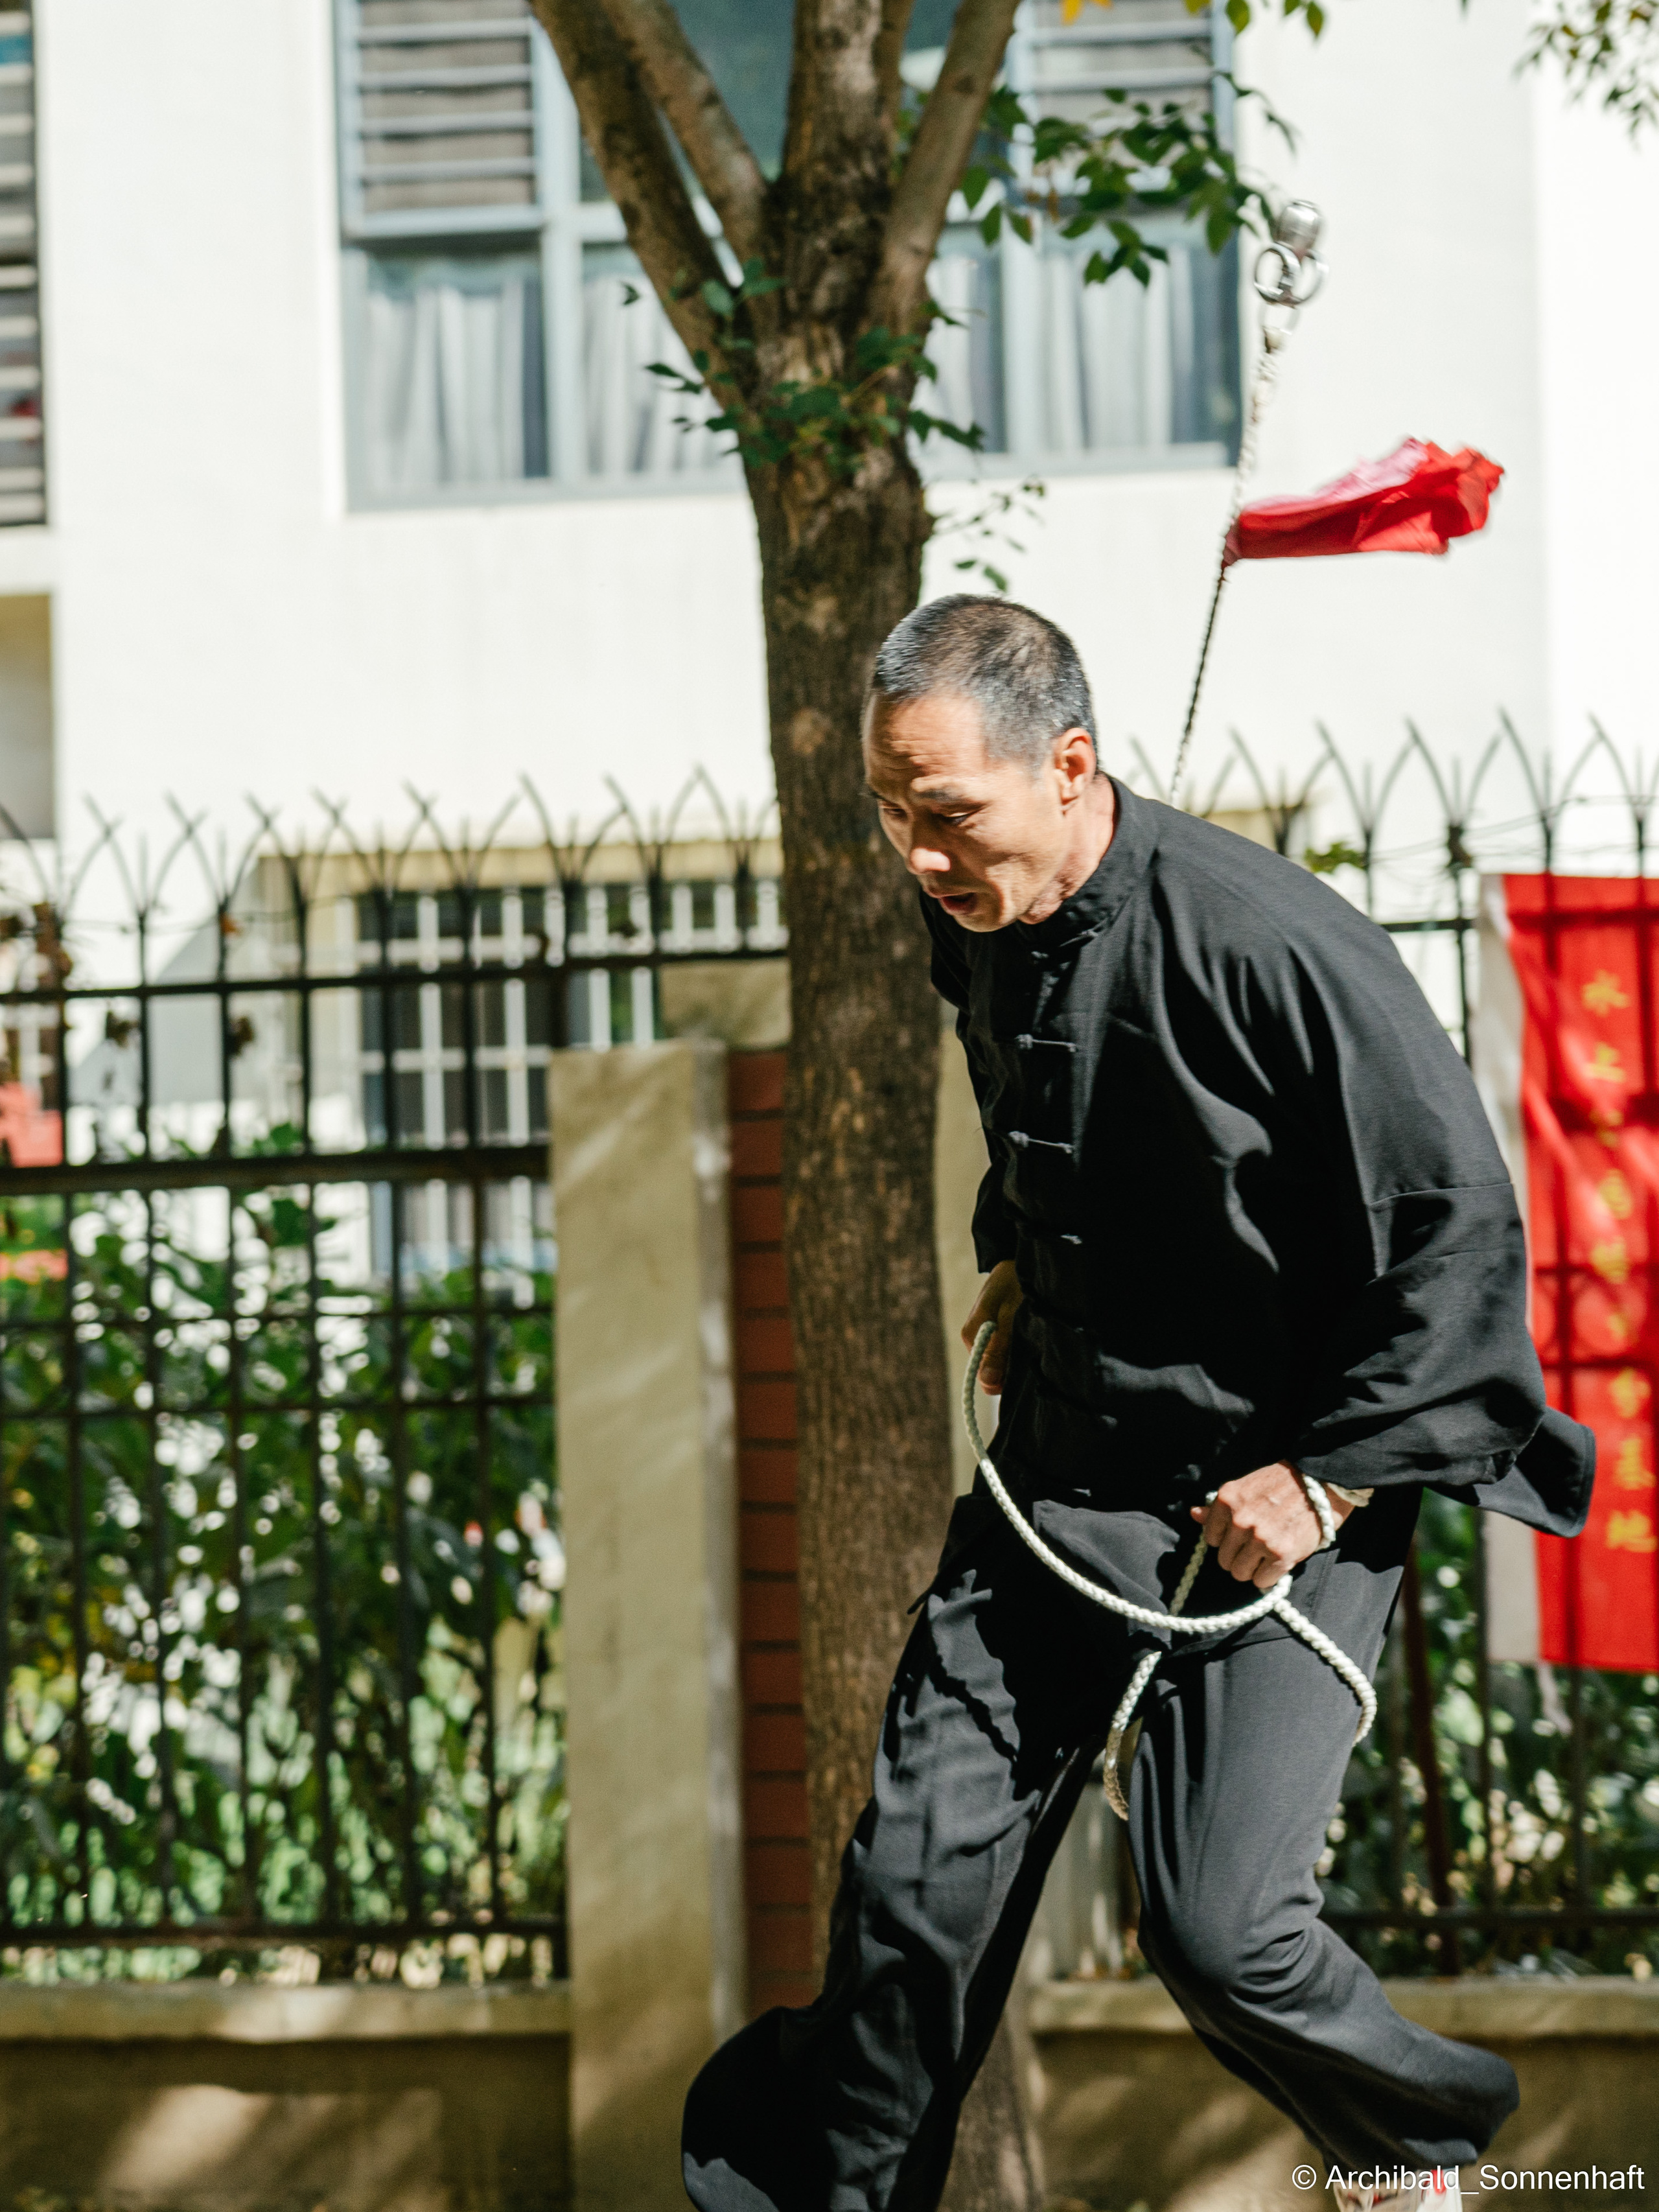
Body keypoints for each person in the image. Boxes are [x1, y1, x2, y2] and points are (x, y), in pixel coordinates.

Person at [681, 596, 1593, 2212]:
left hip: (1276, 1509)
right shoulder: (968, 908)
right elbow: (1025, 1091)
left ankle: (1413, 2146)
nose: (916, 856)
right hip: (1056, 1481)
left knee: (1216, 1927)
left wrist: (1318, 1481)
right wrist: (1022, 1256)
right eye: (888, 817)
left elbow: (1455, 1232)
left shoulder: (1282, 948)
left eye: (945, 813)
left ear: (1071, 766)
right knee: (904, 1909)